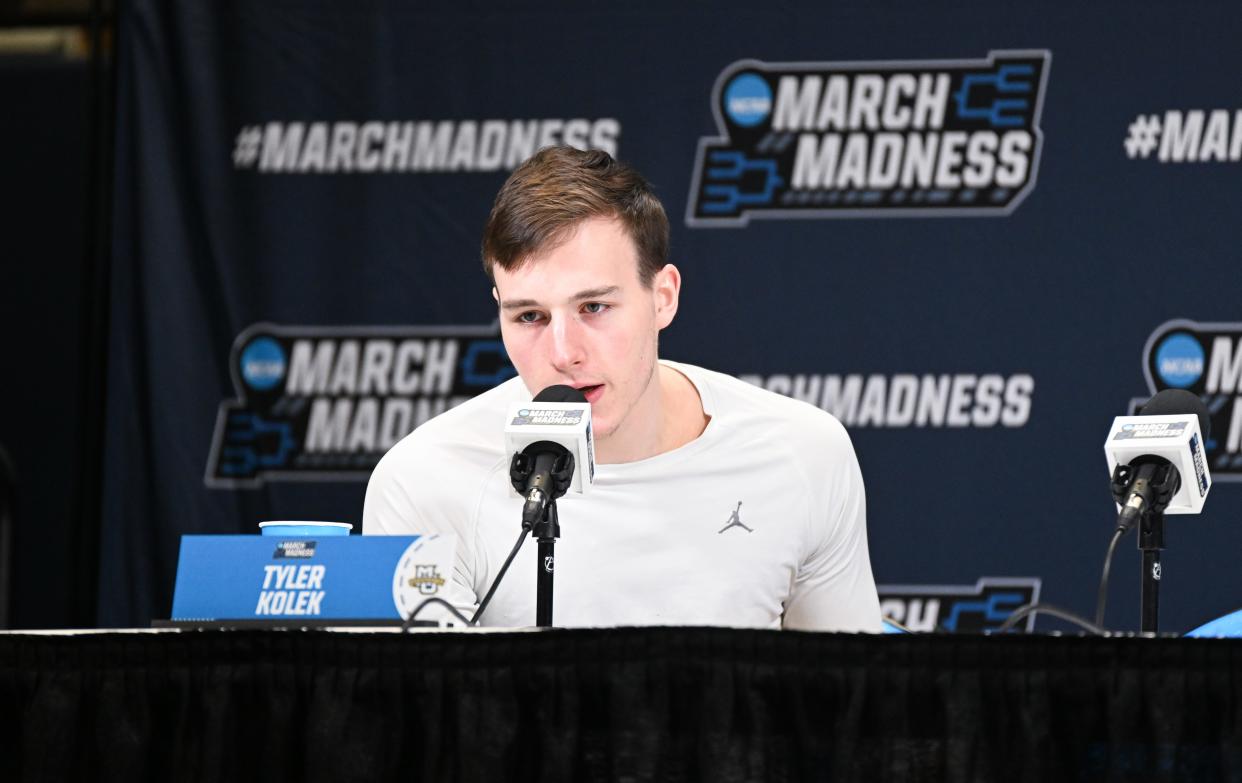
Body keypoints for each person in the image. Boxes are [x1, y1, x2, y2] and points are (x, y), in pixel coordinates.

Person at [363, 146, 881, 631]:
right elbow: (421, 722)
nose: (563, 352)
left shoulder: (803, 454)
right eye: (529, 316)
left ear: (663, 298)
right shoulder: (424, 479)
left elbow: (853, 708)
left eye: (593, 307)